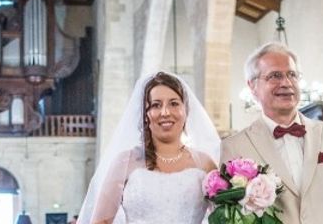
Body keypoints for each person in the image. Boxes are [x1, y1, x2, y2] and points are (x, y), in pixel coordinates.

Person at [220, 42, 323, 223]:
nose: (286, 83)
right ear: (252, 85)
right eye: (275, 75)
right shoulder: (234, 147)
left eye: (292, 74)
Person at [78, 71, 220, 224]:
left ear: (185, 110)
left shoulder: (205, 164)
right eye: (156, 105)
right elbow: (100, 222)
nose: (165, 112)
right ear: (145, 115)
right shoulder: (125, 162)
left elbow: (225, 217)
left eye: (174, 103)